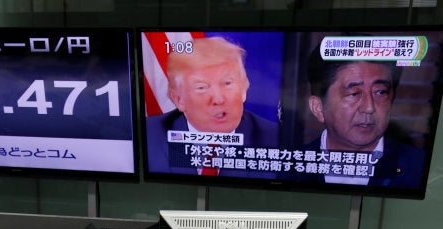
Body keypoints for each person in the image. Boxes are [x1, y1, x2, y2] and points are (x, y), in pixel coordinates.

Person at [146, 36, 279, 177]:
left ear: (243, 90)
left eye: (227, 83)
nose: (218, 99)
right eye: (202, 87)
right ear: (179, 100)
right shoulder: (148, 135)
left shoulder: (277, 139)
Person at [304, 40, 425, 187]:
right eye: (354, 93)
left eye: (380, 92)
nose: (369, 108)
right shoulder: (287, 165)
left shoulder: (421, 168)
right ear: (318, 107)